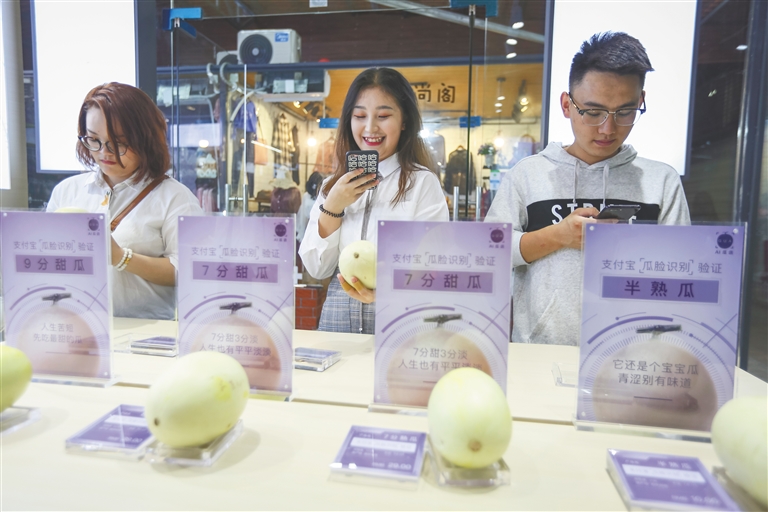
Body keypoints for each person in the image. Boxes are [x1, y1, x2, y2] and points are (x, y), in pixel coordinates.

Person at [486, 32, 690, 345]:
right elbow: (490, 252)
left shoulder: (661, 181)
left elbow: (681, 271)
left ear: (641, 102)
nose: (608, 128)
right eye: (593, 112)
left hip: (631, 353)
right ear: (566, 105)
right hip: (542, 350)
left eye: (625, 112)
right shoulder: (528, 174)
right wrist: (559, 236)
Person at [299, 67, 449, 334]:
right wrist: (333, 207)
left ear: (404, 121)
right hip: (338, 316)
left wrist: (389, 290)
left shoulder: (422, 183)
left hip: (399, 316)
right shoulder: (332, 186)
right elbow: (316, 268)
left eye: (383, 116)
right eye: (359, 116)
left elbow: (434, 266)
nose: (370, 128)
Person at [46, 83, 203, 320]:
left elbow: (189, 270)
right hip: (76, 324)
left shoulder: (175, 197)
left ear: (145, 139)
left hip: (146, 331)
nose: (104, 152)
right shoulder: (66, 191)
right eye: (94, 139)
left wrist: (121, 257)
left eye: (118, 142)